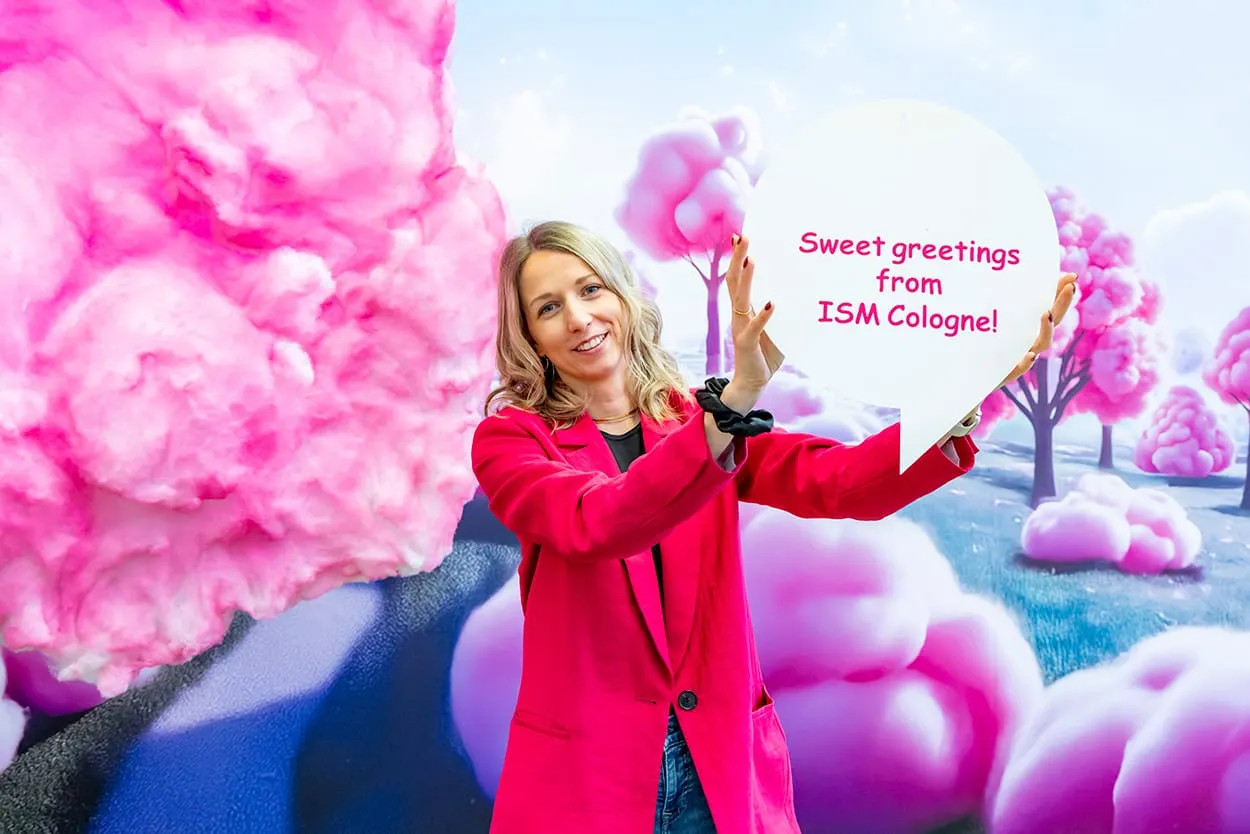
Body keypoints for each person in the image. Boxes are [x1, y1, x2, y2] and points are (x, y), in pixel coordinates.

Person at [470, 220, 1077, 834]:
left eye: (590, 289)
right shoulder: (511, 441)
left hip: (717, 764)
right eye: (549, 307)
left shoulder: (697, 419)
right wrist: (733, 403)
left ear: (623, 297)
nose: (578, 318)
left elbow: (842, 481)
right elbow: (598, 521)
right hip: (588, 776)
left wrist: (958, 398)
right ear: (531, 338)